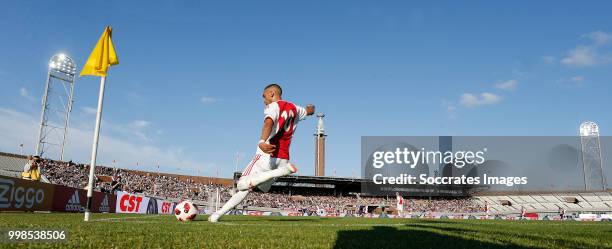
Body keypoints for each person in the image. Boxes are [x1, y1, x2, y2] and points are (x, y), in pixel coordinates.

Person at [208, 83, 315, 222]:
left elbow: (268, 122)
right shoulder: (295, 108)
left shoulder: (273, 106)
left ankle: (281, 172)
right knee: (252, 188)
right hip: (283, 159)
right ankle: (217, 215)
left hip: (267, 154)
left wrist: (262, 141)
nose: (264, 101)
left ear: (272, 93)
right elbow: (309, 111)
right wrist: (311, 108)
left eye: (265, 97)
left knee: (241, 184)